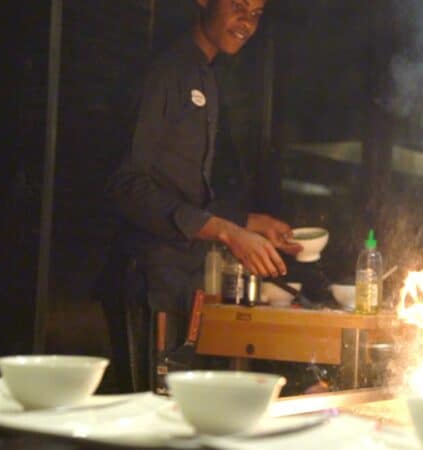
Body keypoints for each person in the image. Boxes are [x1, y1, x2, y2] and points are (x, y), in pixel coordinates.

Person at [105, 0, 300, 391]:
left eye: (257, 13)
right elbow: (127, 186)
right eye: (239, 6)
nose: (247, 21)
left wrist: (250, 224)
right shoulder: (165, 73)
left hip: (182, 284)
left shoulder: (206, 76)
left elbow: (181, 190)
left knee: (178, 417)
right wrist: (228, 233)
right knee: (151, 417)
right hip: (148, 283)